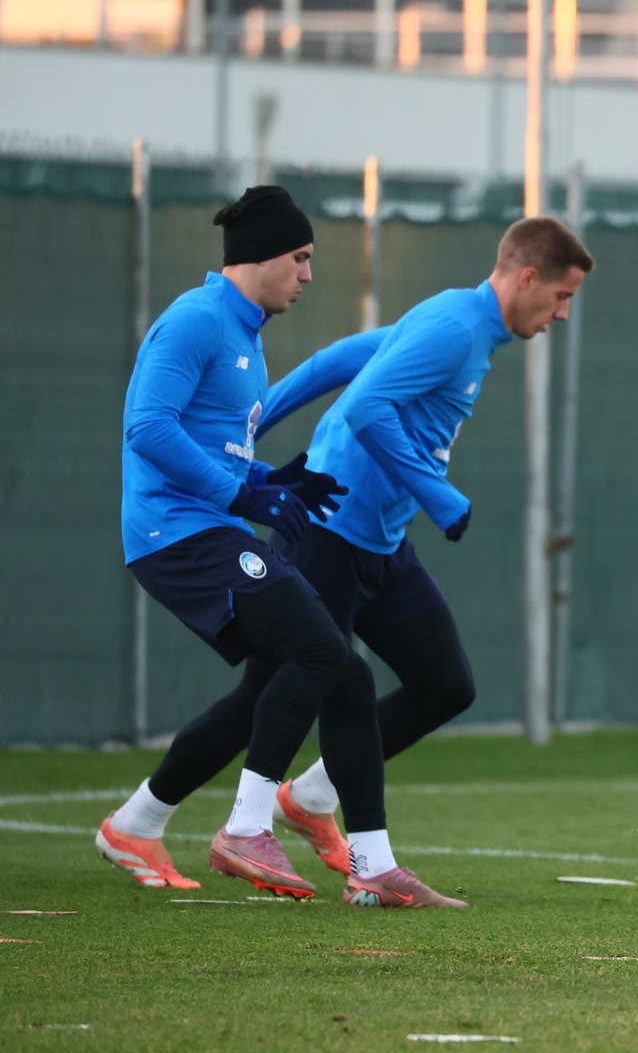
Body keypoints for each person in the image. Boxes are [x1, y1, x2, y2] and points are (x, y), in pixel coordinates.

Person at [95, 217, 592, 909]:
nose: (562, 313)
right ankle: (205, 827)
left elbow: (339, 360)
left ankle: (298, 802)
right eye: (562, 296)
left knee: (442, 684)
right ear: (528, 277)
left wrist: (251, 432)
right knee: (304, 680)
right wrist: (439, 494)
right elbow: (363, 407)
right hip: (327, 532)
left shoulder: (468, 326)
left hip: (381, 541)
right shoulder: (456, 326)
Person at [96, 185, 358, 900]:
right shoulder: (197, 320)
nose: (308, 274)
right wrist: (241, 495)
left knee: (269, 685)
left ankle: (136, 824)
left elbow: (217, 449)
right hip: (175, 532)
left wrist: (274, 480)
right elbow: (148, 427)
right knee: (321, 649)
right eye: (299, 257)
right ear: (262, 257)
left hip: (206, 525)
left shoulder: (244, 334)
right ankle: (247, 829)